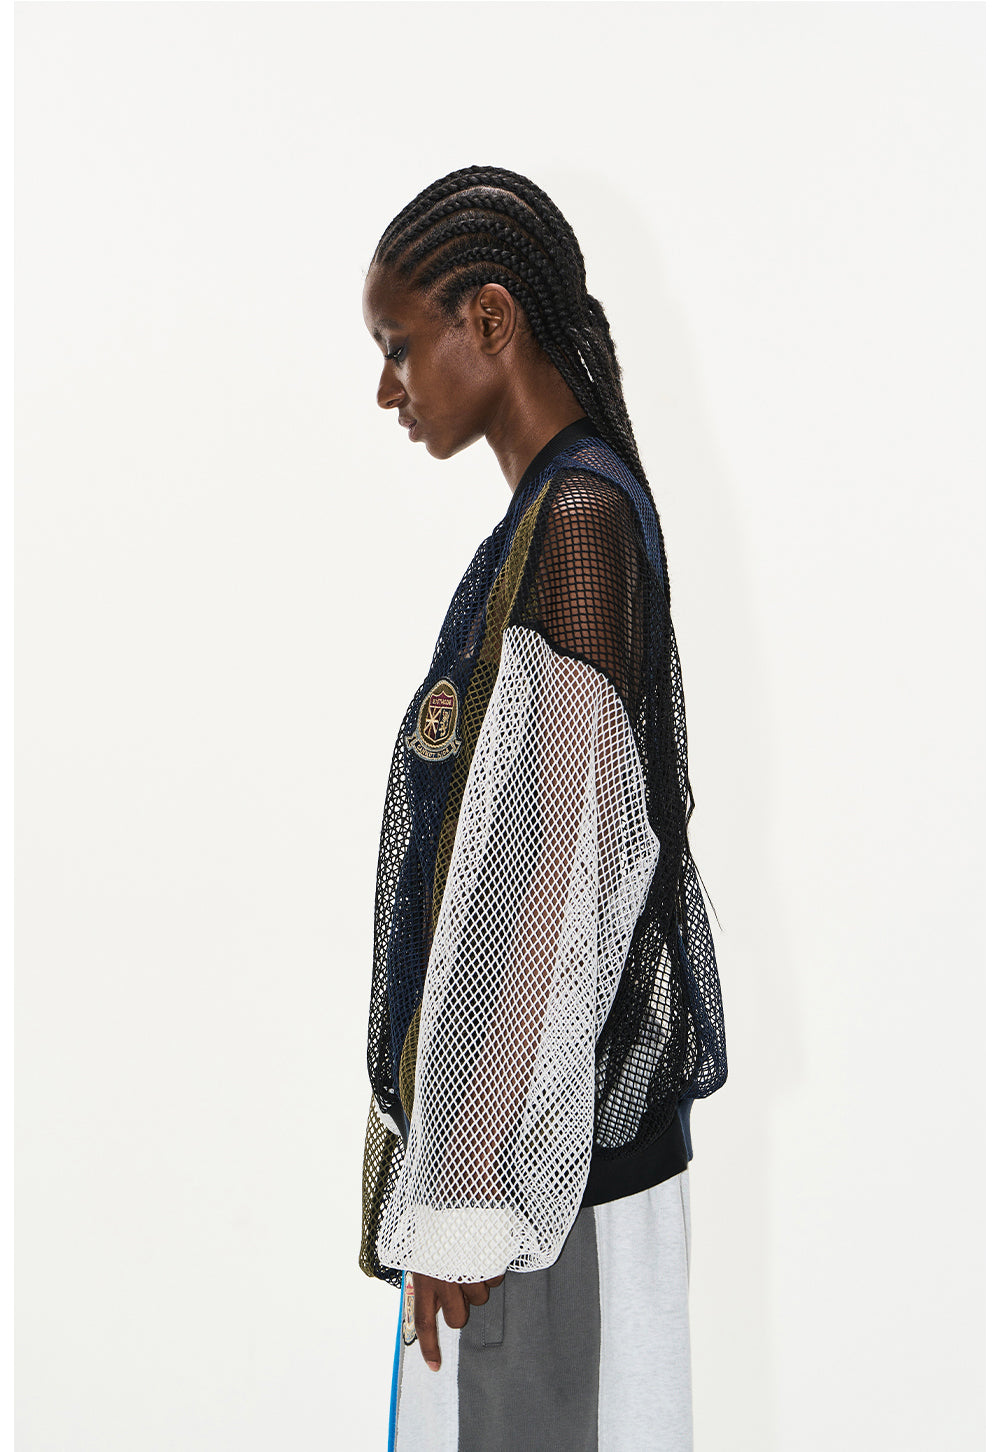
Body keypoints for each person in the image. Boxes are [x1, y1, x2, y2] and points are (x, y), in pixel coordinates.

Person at [357, 165, 728, 1452]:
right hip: (532, 1171)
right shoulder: (560, 516)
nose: (390, 388)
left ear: (492, 321)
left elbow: (541, 886)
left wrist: (462, 1190)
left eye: (399, 345)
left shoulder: (575, 521)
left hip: (535, 1193)